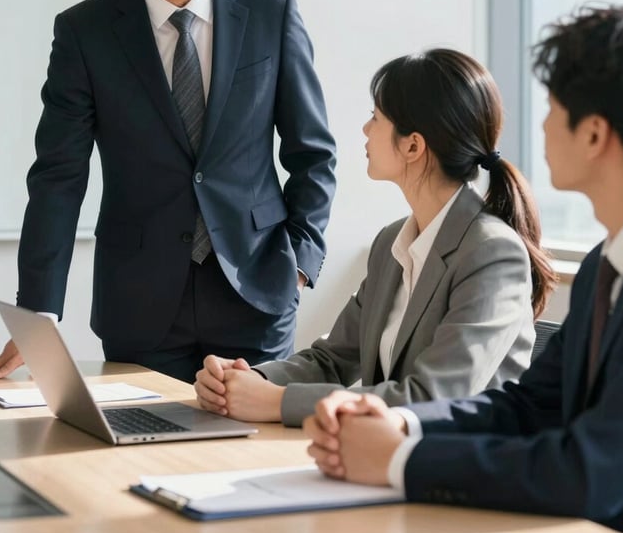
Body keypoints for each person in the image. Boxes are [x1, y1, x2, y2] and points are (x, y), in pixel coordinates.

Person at [0, 0, 336, 384]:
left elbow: (313, 153)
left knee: (253, 456)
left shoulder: (270, 12)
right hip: (140, 304)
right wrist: (39, 311)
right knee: (138, 451)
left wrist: (300, 264)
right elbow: (58, 176)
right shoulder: (87, 33)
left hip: (256, 291)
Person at [303, 4, 623, 533]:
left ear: (594, 134)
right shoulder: (603, 270)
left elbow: (591, 471)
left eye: (553, 107)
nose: (539, 124)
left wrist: (402, 460)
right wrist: (405, 424)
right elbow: (525, 405)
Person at [194, 48, 555, 425]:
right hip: (384, 459)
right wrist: (246, 381)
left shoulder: (492, 253)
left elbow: (434, 397)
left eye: (375, 117)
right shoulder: (392, 242)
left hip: (459, 469)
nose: (366, 129)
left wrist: (277, 402)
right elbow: (331, 360)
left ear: (413, 145)